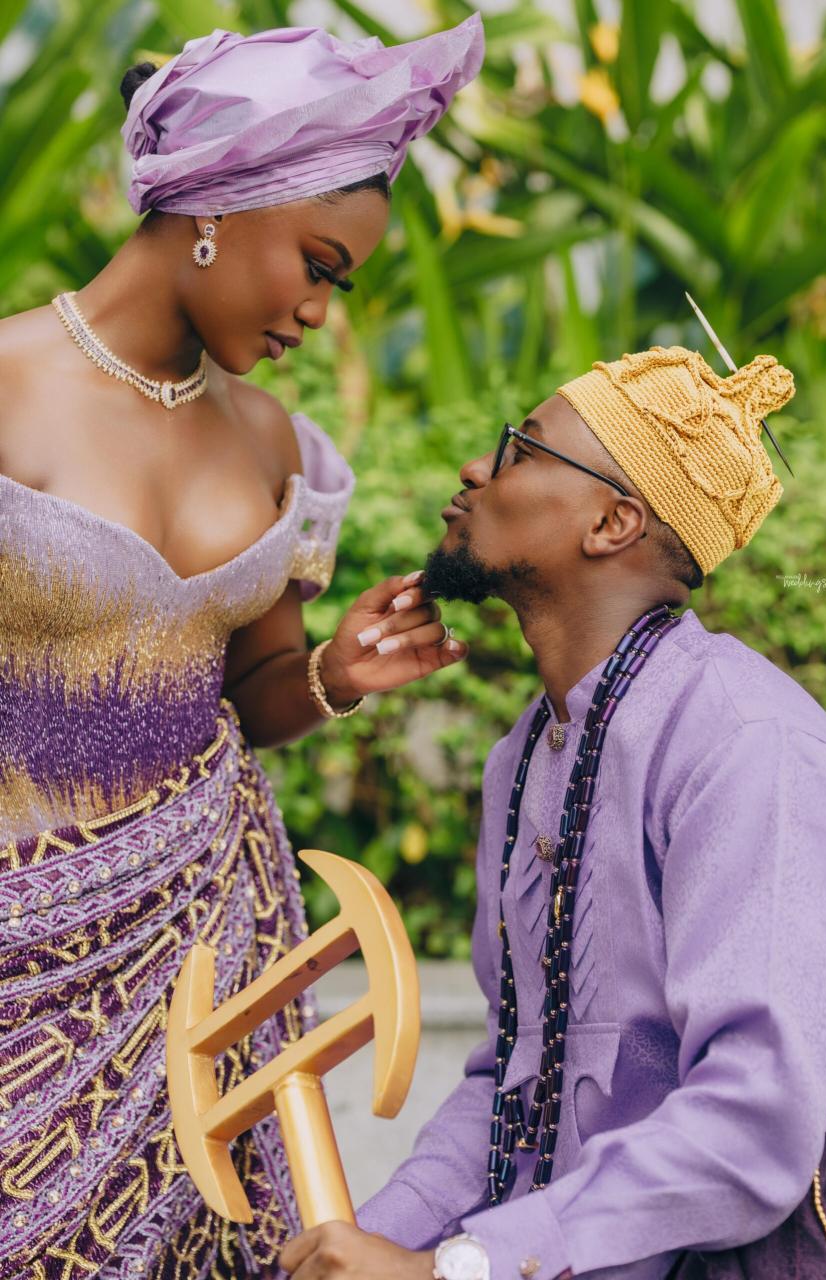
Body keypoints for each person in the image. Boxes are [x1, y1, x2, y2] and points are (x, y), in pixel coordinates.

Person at [0, 15, 485, 1278]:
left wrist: (334, 675)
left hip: (201, 952)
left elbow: (255, 691)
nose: (318, 312)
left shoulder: (270, 438)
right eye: (317, 266)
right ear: (217, 204)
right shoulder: (4, 387)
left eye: (340, 286)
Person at [278, 345, 826, 1280]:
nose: (475, 469)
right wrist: (363, 1244)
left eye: (520, 449)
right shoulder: (528, 753)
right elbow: (513, 1083)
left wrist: (452, 1268)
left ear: (612, 521)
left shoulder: (749, 746)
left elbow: (751, 1127)